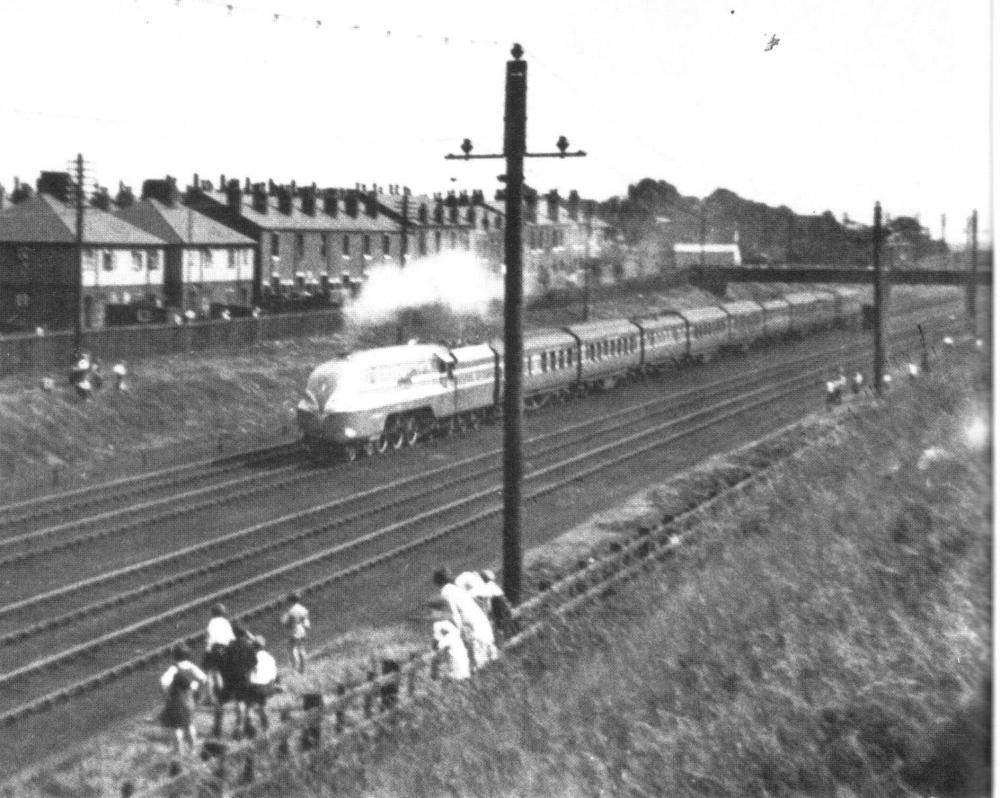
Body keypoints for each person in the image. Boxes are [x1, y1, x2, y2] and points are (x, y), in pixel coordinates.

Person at [433, 567, 498, 671]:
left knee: (480, 661)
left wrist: (459, 629)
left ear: (437, 582)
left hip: (471, 623)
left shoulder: (446, 592)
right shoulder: (455, 588)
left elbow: (454, 613)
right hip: (478, 619)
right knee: (488, 656)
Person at [159, 644, 208, 755]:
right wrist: (198, 691)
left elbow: (163, 682)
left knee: (177, 727)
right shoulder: (191, 666)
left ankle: (179, 751)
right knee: (189, 724)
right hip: (190, 700)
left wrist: (165, 695)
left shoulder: (174, 668)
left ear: (175, 656)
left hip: (177, 700)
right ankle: (193, 750)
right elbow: (204, 678)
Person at [243, 634, 279, 735]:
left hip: (257, 687)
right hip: (269, 686)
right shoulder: (269, 657)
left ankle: (249, 728)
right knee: (261, 705)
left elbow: (248, 674)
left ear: (253, 646)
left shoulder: (251, 657)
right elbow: (274, 673)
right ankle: (266, 727)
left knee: (247, 704)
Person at [203, 603, 235, 702]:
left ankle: (210, 696)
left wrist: (207, 652)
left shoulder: (211, 623)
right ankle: (222, 695)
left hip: (213, 649)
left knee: (209, 673)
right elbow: (232, 638)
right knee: (221, 673)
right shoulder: (226, 623)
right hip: (224, 649)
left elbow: (208, 639)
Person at [280, 592, 310, 674]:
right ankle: (303, 669)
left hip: (292, 632)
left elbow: (284, 622)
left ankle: (295, 670)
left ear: (290, 600)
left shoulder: (290, 611)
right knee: (301, 650)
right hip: (302, 631)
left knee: (292, 651)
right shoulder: (303, 609)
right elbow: (307, 624)